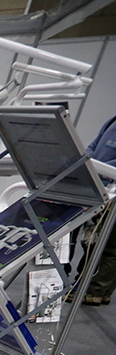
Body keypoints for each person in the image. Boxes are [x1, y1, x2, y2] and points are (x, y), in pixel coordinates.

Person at [76, 113, 116, 305]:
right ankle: (86, 286)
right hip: (99, 186)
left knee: (111, 247)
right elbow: (94, 146)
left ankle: (96, 291)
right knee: (92, 240)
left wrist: (100, 169)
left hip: (112, 186)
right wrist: (86, 160)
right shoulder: (113, 120)